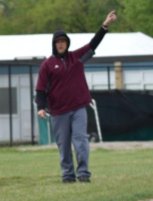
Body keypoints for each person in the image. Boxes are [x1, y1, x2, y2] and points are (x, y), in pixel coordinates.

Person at [36, 11, 118, 184]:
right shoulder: (47, 65)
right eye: (58, 42)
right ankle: (68, 175)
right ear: (54, 45)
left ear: (67, 43)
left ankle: (83, 174)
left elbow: (93, 43)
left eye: (63, 41)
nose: (60, 44)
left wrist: (105, 25)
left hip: (78, 108)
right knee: (64, 145)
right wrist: (41, 107)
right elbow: (41, 89)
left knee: (80, 140)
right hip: (59, 111)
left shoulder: (76, 57)